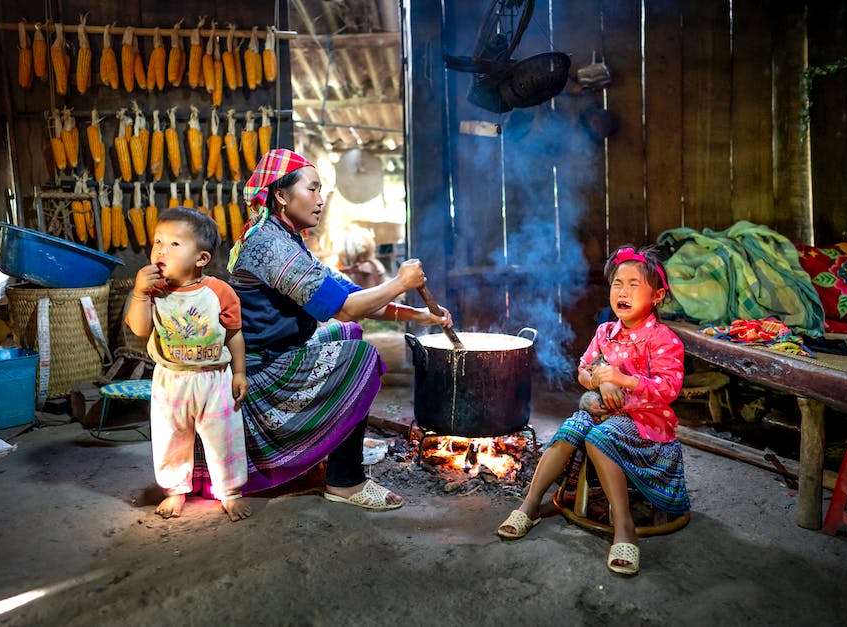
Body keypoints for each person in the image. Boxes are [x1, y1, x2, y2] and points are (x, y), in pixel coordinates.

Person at [192, 148, 452, 510]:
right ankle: (346, 482)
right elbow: (345, 309)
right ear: (281, 196)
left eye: (320, 190)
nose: (320, 199)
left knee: (350, 338)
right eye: (312, 190)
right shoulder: (269, 245)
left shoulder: (286, 238)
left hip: (279, 353)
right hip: (260, 372)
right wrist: (400, 282)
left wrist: (419, 314)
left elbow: (348, 293)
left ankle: (333, 445)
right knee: (360, 358)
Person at [496, 245, 690, 576]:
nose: (623, 291)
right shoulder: (605, 333)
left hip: (646, 424)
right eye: (617, 283)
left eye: (633, 284)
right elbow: (584, 371)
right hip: (604, 410)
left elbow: (668, 390)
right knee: (569, 431)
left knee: (601, 438)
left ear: (657, 296)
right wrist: (602, 384)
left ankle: (624, 527)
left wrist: (622, 379)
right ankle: (530, 505)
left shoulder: (664, 340)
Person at [126, 207, 252, 523]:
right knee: (171, 437)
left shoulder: (219, 292)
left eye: (174, 244)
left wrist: (239, 372)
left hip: (215, 378)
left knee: (224, 436)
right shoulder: (152, 291)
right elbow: (140, 330)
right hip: (171, 378)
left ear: (201, 259)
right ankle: (175, 490)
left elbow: (234, 335)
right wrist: (139, 293)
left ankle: (230, 492)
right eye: (157, 242)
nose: (160, 250)